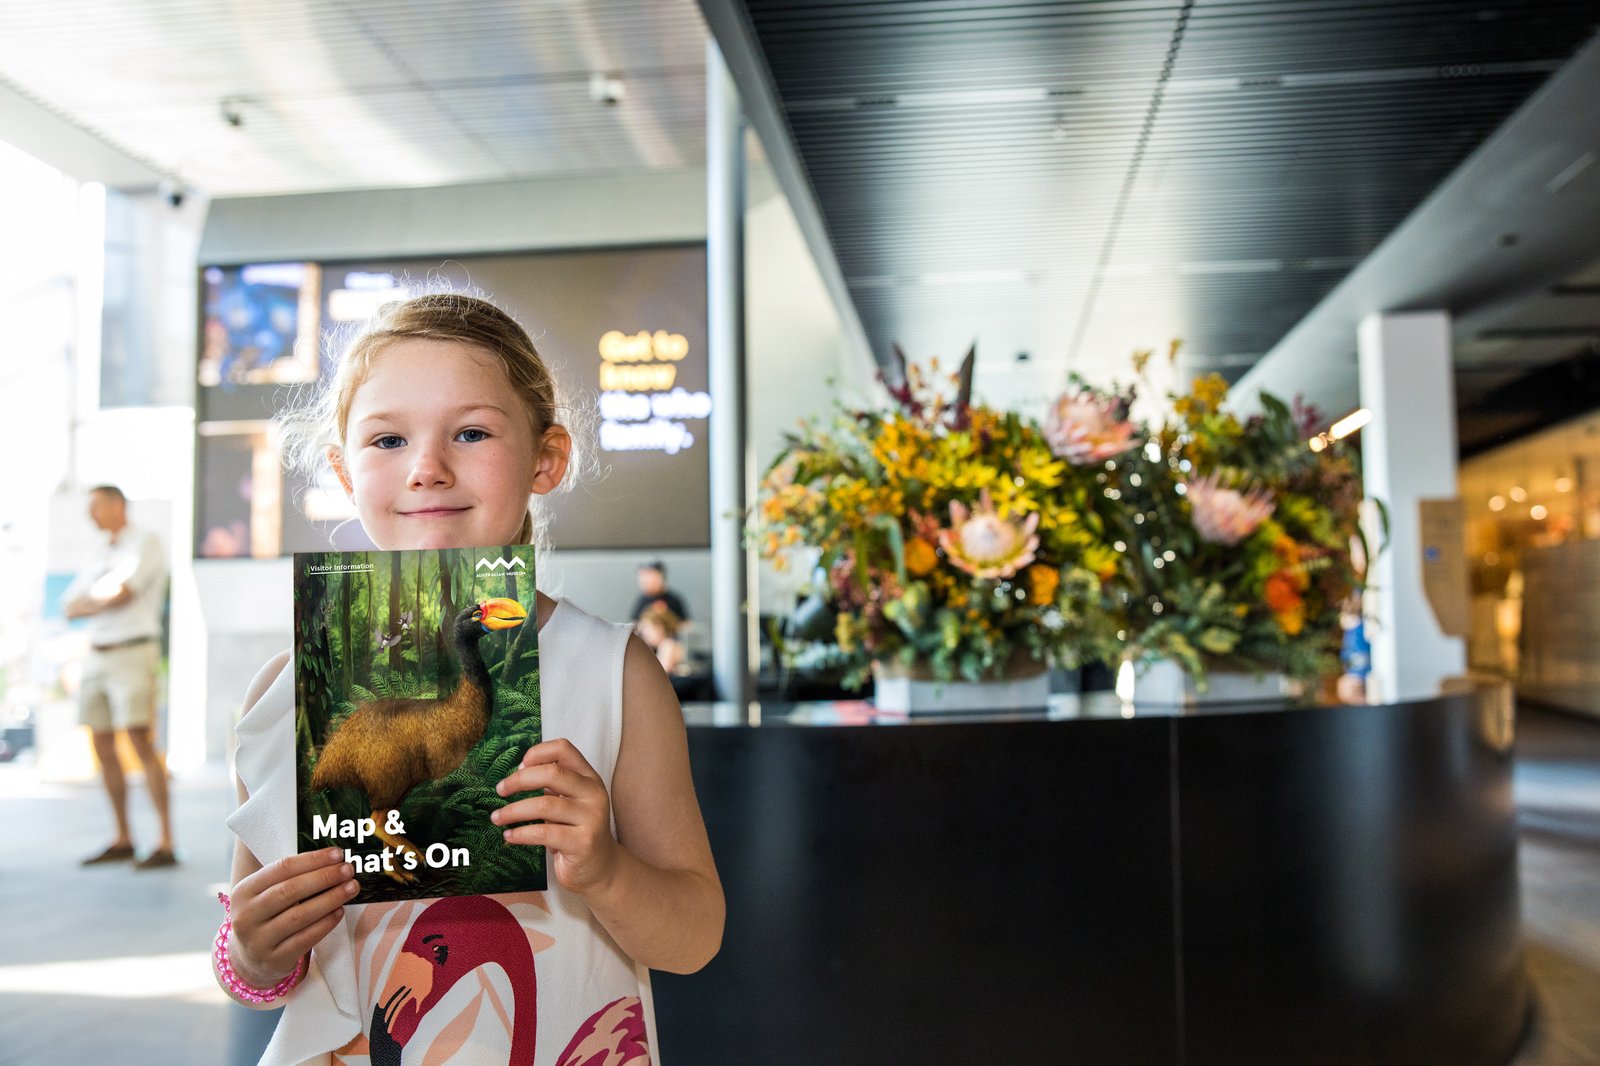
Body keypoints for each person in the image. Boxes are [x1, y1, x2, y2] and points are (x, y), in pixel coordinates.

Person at [217, 292, 723, 1064]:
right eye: (387, 439)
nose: (426, 468)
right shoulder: (286, 690)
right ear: (343, 472)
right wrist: (254, 953)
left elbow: (694, 939)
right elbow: (254, 963)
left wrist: (609, 870)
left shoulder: (613, 671)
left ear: (546, 458)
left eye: (472, 432)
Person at [64, 484, 177, 870]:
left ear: (117, 505)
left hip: (133, 650)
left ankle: (165, 841)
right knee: (101, 744)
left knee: (139, 741)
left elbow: (124, 594)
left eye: (95, 506)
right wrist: (99, 601)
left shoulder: (146, 541)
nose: (90, 514)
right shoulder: (99, 552)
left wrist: (92, 603)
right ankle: (123, 837)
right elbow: (69, 606)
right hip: (96, 655)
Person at [629, 560, 690, 627]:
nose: (644, 580)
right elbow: (634, 624)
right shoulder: (642, 601)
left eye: (649, 575)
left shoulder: (674, 600)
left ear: (660, 576)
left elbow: (687, 625)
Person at [635, 604, 686, 675]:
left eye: (647, 628)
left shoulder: (668, 645)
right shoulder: (665, 645)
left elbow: (661, 672)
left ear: (659, 627)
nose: (645, 634)